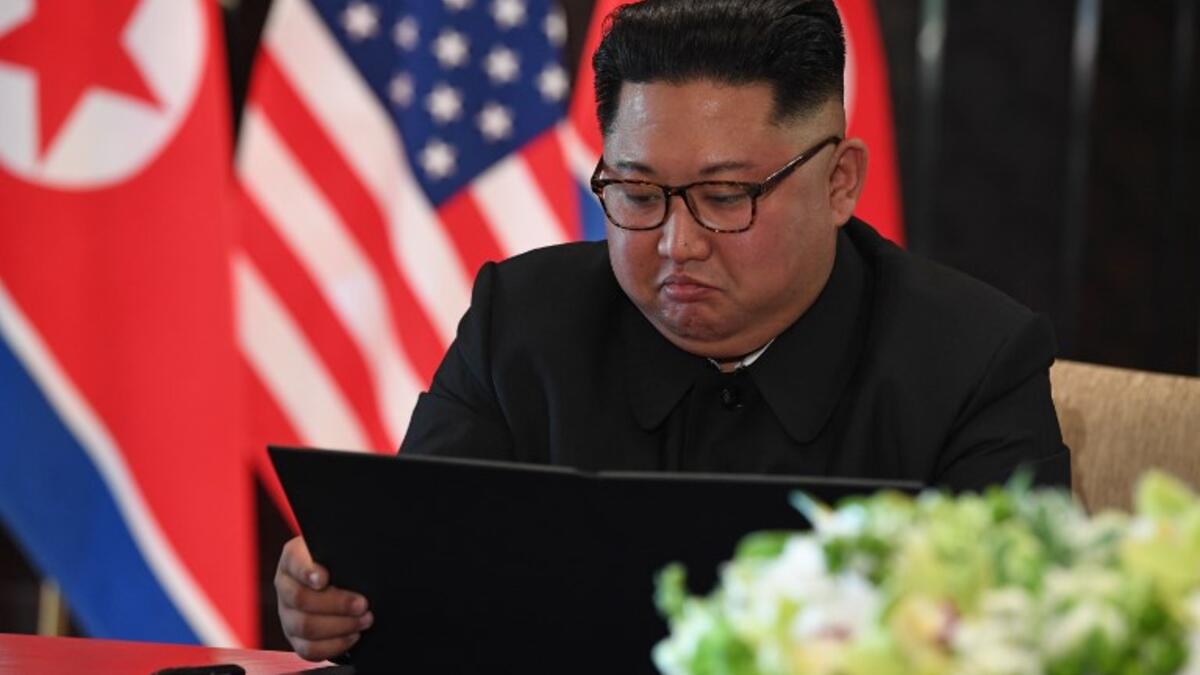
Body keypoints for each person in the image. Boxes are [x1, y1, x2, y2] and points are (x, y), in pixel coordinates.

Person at [274, 0, 1071, 660]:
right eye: (637, 192)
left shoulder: (973, 359)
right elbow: (415, 575)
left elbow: (1021, 638)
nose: (676, 243)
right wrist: (335, 596)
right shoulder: (520, 319)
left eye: (725, 196)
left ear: (839, 182)